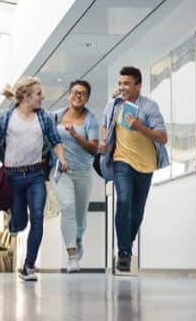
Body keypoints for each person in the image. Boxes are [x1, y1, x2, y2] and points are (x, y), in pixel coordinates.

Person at [0, 77, 69, 282]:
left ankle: (29, 266)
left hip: (36, 175)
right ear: (26, 96)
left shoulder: (45, 117)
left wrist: (62, 160)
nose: (43, 97)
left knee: (37, 217)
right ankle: (15, 223)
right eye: (39, 93)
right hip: (12, 177)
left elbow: (56, 141)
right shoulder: (5, 117)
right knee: (20, 222)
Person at [99, 66, 169, 272]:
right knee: (123, 201)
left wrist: (141, 127)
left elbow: (162, 137)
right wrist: (104, 141)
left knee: (137, 211)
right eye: (120, 83)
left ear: (138, 85)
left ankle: (126, 244)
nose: (122, 87)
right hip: (121, 161)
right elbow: (105, 124)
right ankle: (124, 254)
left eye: (127, 84)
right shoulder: (113, 105)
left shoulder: (149, 107)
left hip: (145, 165)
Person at [51, 80, 100, 273]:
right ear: (69, 94)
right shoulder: (56, 116)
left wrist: (75, 135)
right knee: (67, 206)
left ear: (87, 98)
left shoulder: (90, 120)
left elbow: (94, 149)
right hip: (60, 170)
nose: (78, 96)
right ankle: (72, 257)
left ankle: (77, 238)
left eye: (82, 93)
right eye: (74, 92)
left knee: (80, 218)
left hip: (82, 173)